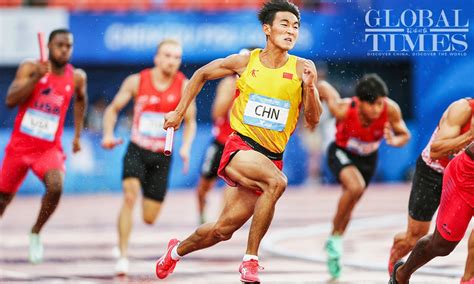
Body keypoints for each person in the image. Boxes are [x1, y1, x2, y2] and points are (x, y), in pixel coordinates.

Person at [155, 1, 323, 282]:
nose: (291, 31)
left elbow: (313, 120)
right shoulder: (246, 62)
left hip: (271, 157)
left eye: (296, 26)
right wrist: (179, 112)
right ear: (267, 29)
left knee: (222, 230)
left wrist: (311, 87)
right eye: (284, 24)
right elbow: (201, 74)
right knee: (277, 182)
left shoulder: (303, 69)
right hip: (239, 149)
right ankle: (251, 260)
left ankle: (174, 253)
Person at [101, 39, 196, 276]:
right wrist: (108, 133)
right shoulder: (137, 81)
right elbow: (113, 109)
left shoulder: (185, 86)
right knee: (129, 197)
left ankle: (128, 239)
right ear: (156, 57)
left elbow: (192, 121)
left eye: (176, 57)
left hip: (162, 156)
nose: (171, 61)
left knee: (149, 218)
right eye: (167, 55)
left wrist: (185, 147)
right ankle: (123, 255)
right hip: (137, 149)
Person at [0, 29, 87, 264]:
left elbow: (81, 100)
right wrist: (35, 78)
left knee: (56, 186)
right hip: (19, 147)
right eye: (60, 45)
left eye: (68, 46)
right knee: (2, 200)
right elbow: (10, 100)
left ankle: (36, 231)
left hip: (48, 149)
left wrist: (77, 135)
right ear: (49, 46)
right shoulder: (30, 67)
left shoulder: (77, 77)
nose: (64, 50)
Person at [320, 73, 411, 279]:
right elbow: (325, 87)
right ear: (360, 102)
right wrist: (311, 89)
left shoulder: (390, 109)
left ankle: (335, 242)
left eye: (380, 104)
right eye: (373, 105)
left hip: (368, 160)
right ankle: (334, 238)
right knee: (355, 187)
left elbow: (405, 134)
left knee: (351, 202)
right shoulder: (343, 109)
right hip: (341, 152)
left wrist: (395, 141)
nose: (377, 109)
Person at [388, 98, 474, 282]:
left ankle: (467, 279)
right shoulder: (462, 109)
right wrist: (470, 136)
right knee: (429, 241)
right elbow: (436, 150)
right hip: (437, 172)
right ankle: (400, 272)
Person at [196, 75, 237, 224]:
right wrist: (235, 91)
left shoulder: (260, 84)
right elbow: (216, 113)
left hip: (239, 144)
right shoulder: (229, 83)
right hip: (221, 141)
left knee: (232, 183)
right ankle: (201, 216)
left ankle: (221, 221)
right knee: (203, 187)